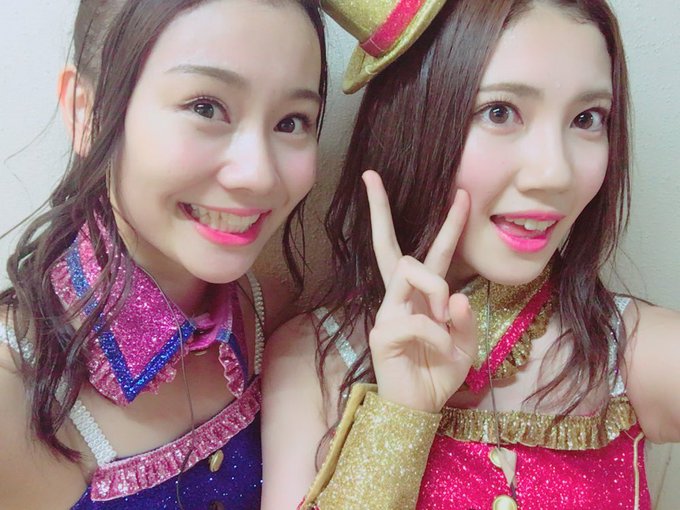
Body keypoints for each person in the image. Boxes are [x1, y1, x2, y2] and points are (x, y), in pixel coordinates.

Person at [261, 0, 680, 509]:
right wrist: (399, 418)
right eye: (499, 112)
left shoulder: (636, 352)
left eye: (587, 118)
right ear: (411, 122)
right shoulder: (310, 361)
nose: (556, 174)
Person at [0, 0, 327, 508]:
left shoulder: (278, 321)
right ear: (86, 113)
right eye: (205, 107)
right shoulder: (10, 392)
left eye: (292, 122)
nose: (259, 175)